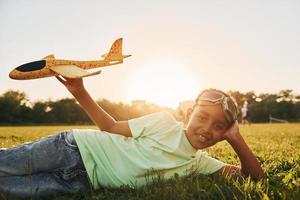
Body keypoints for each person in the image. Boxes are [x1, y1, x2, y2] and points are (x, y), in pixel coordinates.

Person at [0, 76, 264, 198]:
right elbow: (111, 126)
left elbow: (253, 178)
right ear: (189, 113)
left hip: (81, 183)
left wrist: (236, 139)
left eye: (219, 126)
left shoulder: (199, 163)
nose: (207, 129)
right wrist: (79, 91)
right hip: (73, 149)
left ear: (224, 134)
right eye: (202, 117)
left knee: (8, 190)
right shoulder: (163, 122)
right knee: (6, 163)